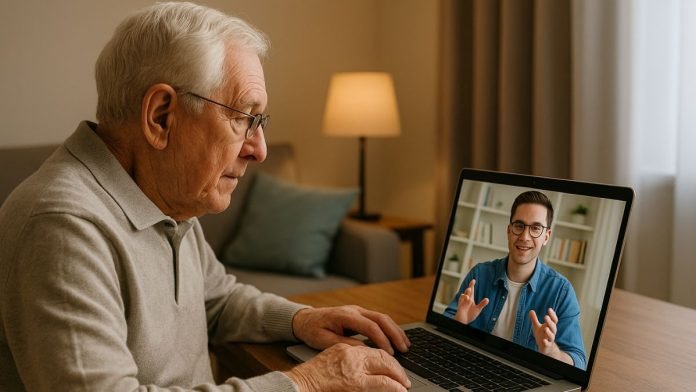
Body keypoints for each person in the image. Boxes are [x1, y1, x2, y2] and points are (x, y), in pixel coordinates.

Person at [0, 3, 412, 391]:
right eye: (243, 118)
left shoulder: (164, 199)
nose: (260, 149)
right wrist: (305, 382)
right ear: (161, 116)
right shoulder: (62, 228)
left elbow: (216, 299)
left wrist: (301, 319)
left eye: (260, 121)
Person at [444, 191, 586, 369]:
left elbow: (579, 363)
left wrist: (551, 352)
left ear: (546, 236)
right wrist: (459, 322)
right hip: (473, 369)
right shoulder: (479, 274)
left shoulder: (562, 291)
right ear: (509, 230)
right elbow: (442, 330)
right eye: (519, 225)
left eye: (535, 228)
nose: (525, 237)